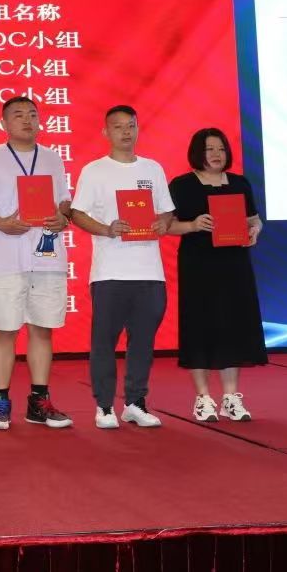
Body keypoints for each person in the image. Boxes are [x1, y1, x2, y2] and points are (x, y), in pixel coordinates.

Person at [0, 96, 74, 431]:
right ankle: (1, 402)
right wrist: (1, 223)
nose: (27, 120)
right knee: (5, 330)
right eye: (18, 115)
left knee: (42, 329)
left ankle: (38, 401)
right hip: (7, 257)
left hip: (47, 256)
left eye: (32, 114)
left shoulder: (52, 158)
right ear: (3, 123)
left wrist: (62, 217)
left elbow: (65, 201)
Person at [70, 105, 175, 430]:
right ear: (106, 132)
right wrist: (106, 229)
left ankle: (135, 403)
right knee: (104, 341)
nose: (126, 132)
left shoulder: (153, 169)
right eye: (118, 127)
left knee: (142, 342)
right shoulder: (94, 171)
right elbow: (77, 213)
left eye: (131, 125)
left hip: (150, 272)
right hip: (110, 272)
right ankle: (104, 406)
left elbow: (166, 210)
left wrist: (163, 222)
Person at [167, 128, 267, 422]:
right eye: (209, 149)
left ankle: (231, 397)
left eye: (221, 149)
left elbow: (254, 219)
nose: (216, 154)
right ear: (197, 153)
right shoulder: (182, 185)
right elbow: (166, 225)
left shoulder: (239, 183)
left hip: (234, 264)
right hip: (198, 265)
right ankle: (202, 398)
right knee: (199, 325)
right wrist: (193, 225)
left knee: (232, 325)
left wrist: (254, 231)